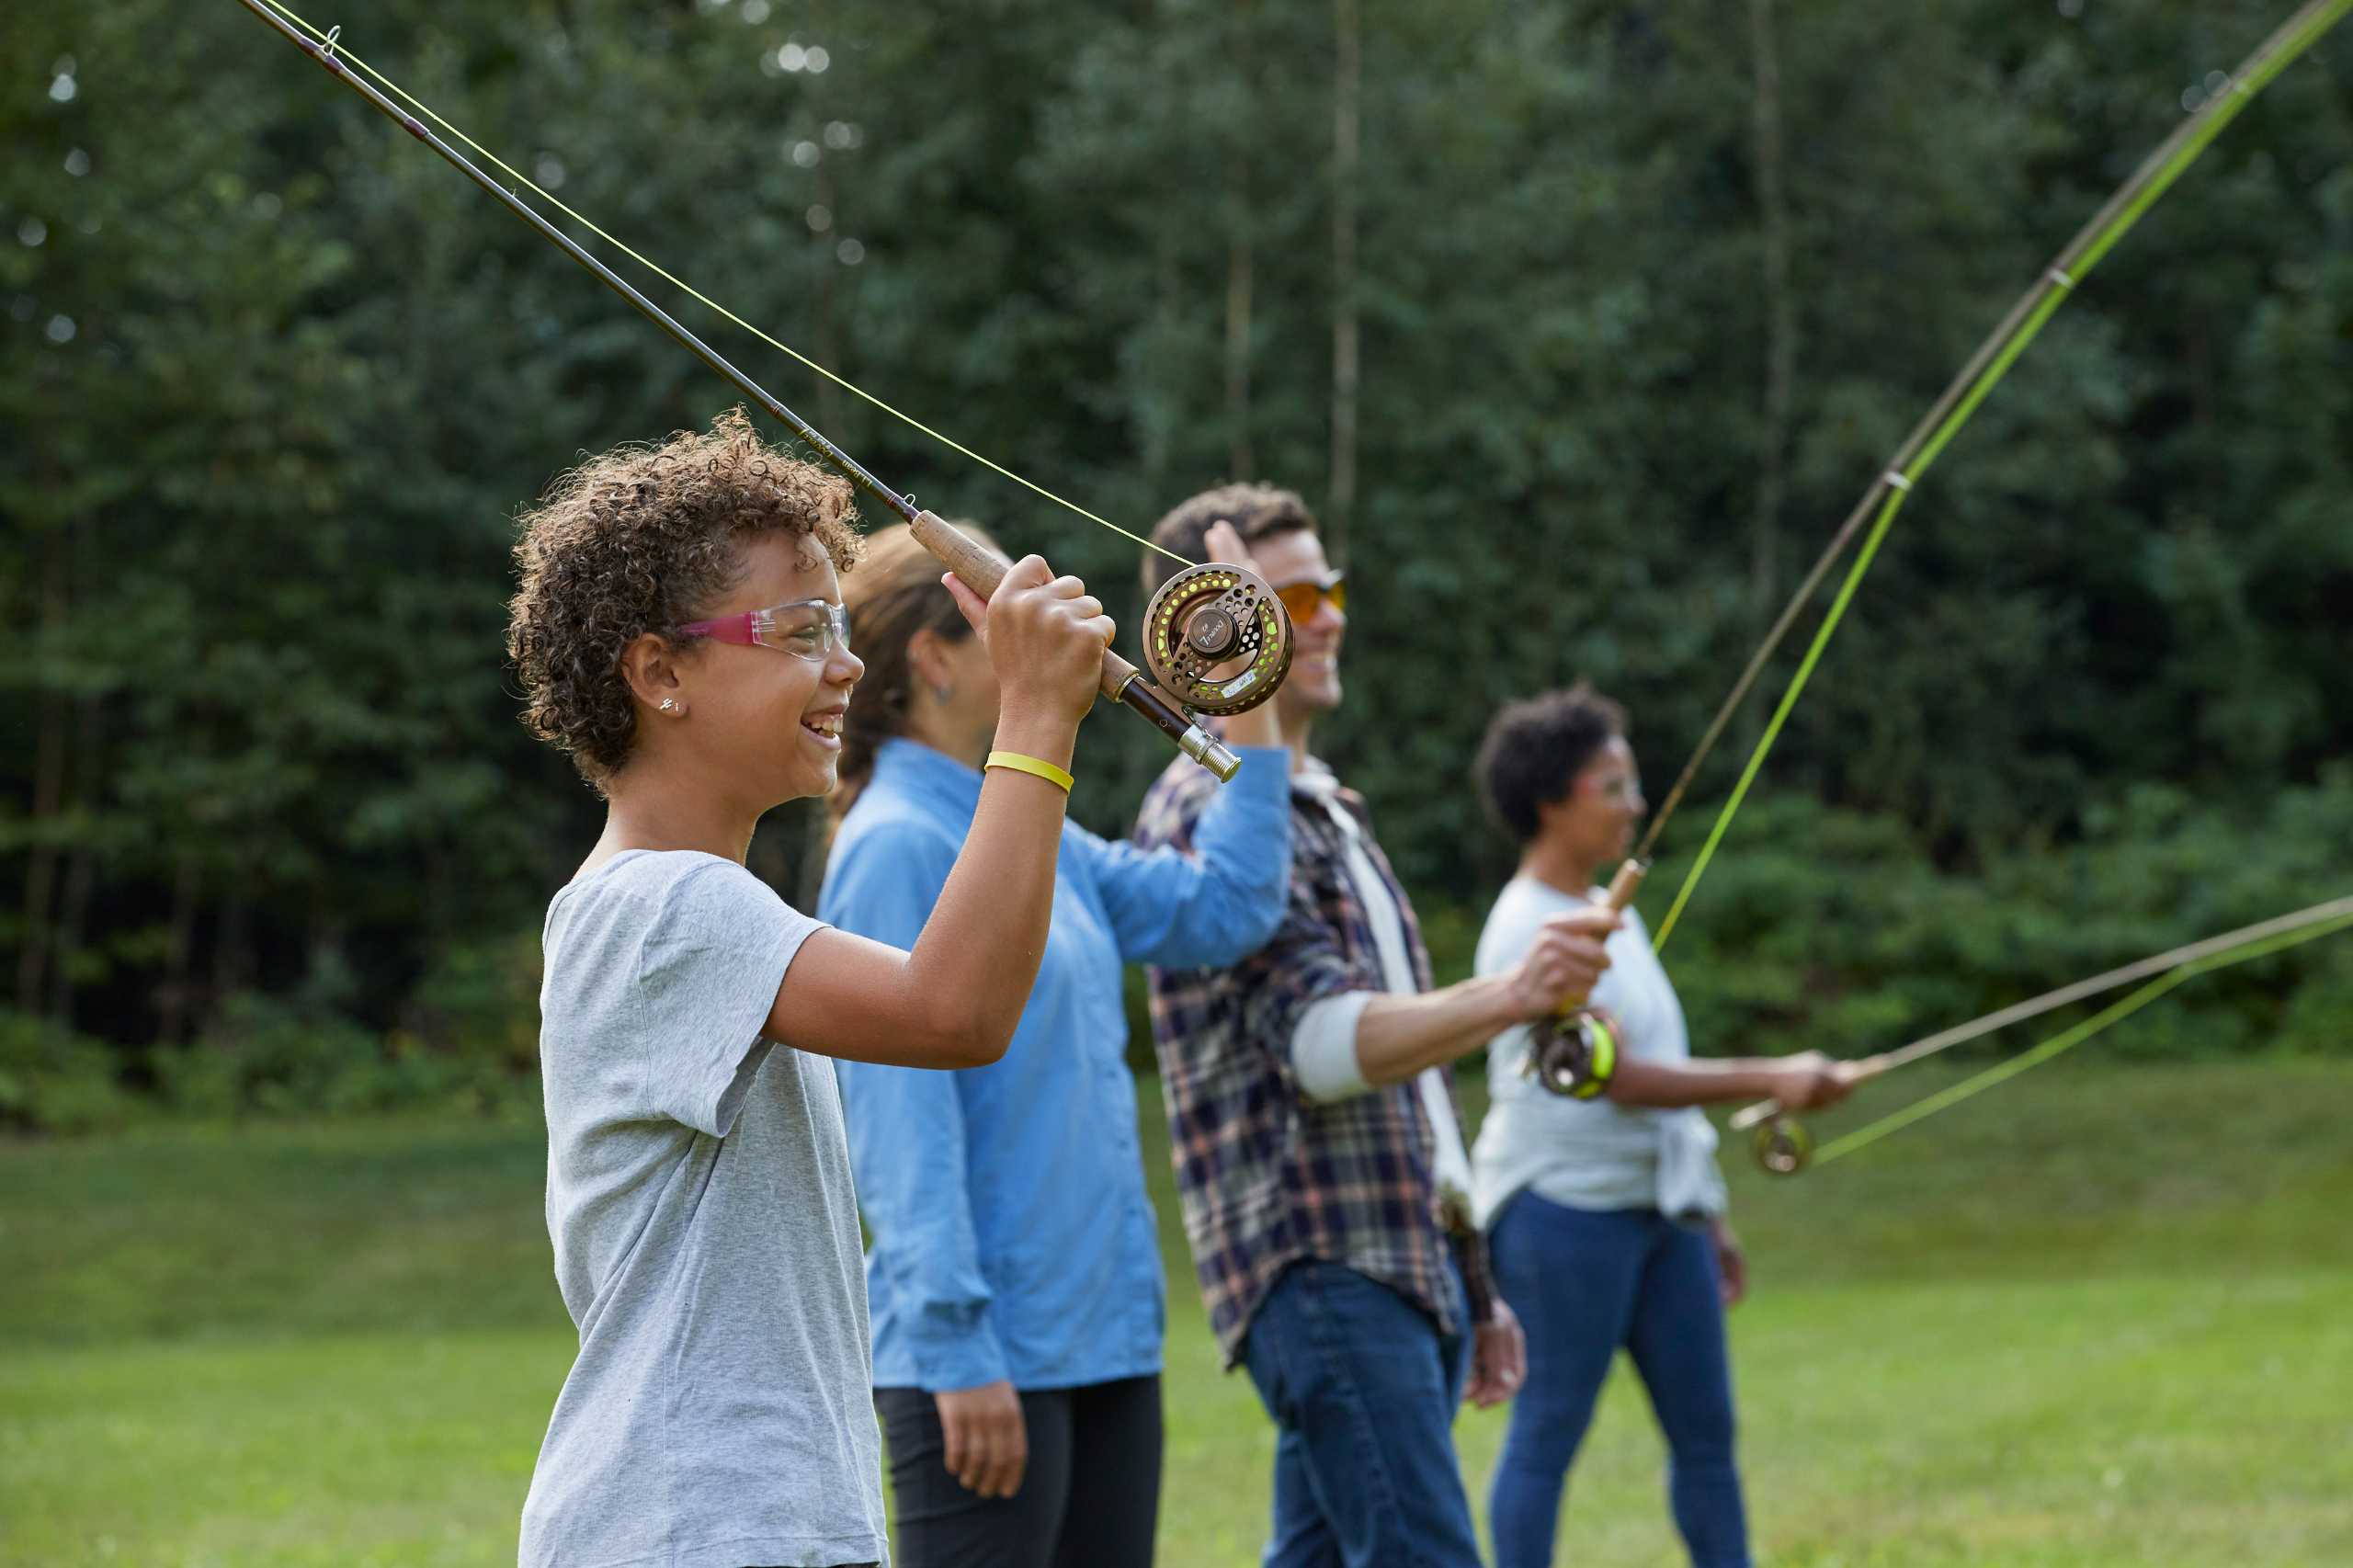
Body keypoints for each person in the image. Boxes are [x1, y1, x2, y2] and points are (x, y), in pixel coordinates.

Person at [503, 409, 1115, 1568]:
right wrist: (1035, 718)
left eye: (840, 625)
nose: (845, 663)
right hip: (695, 1524)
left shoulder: (692, 908)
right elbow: (957, 1010)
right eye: (795, 629)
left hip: (751, 1522)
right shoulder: (666, 906)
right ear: (657, 672)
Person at [1129, 483, 1620, 1568]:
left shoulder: (1330, 808)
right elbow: (1320, 1045)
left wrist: (1473, 1282)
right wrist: (1515, 992)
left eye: (1329, 585)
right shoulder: (1209, 811)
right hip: (1324, 1265)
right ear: (1209, 624)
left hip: (1402, 1262)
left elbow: (1414, 1085)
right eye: (1288, 594)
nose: (1331, 613)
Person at [816, 519, 1292, 1567]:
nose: (1051, 626)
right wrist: (953, 1348)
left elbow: (1227, 911)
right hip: (986, 1364)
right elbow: (899, 1131)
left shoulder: (1035, 833)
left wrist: (1246, 700)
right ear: (932, 658)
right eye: (1003, 611)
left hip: (1104, 1342)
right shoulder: (897, 839)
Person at [1467, 686, 1855, 1568]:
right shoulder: (1528, 930)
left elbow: (1656, 1054)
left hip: (1662, 1217)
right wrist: (1774, 1075)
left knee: (1708, 1435)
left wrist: (1706, 1210)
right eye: (1612, 786)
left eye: (1633, 784)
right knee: (1549, 1433)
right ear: (1551, 802)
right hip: (1561, 1220)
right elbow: (1615, 1076)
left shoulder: (1615, 911)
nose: (1634, 805)